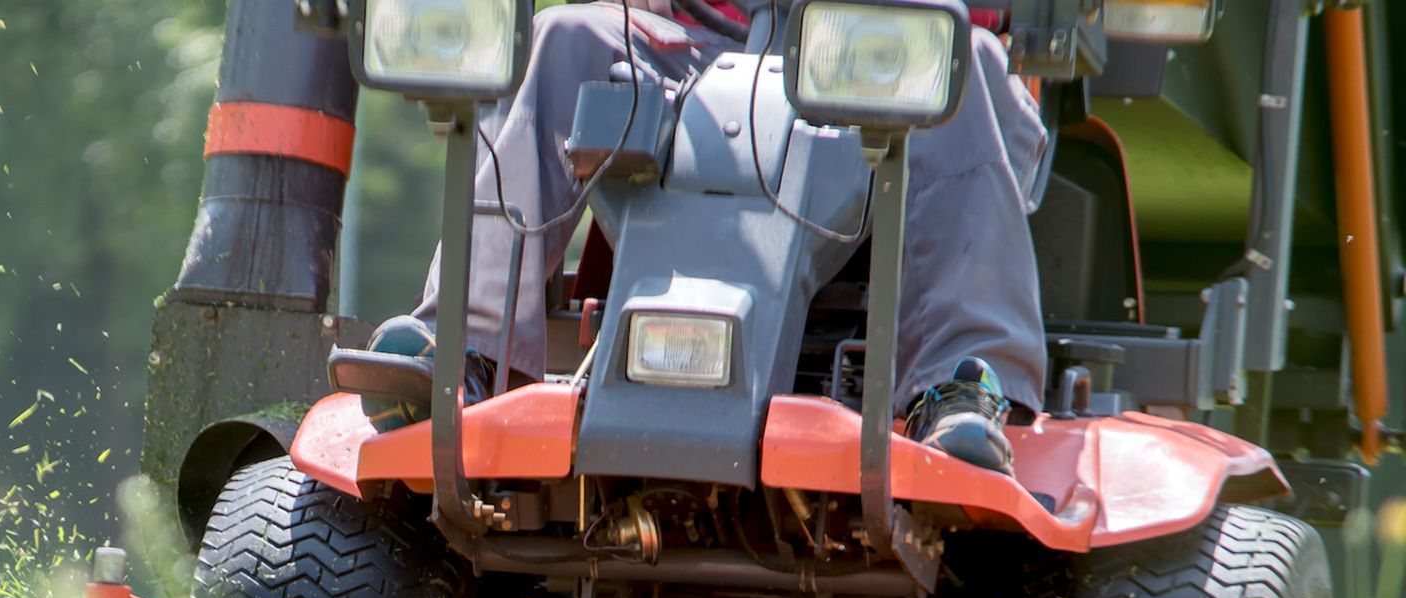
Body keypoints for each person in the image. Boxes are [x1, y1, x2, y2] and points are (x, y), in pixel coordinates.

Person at [371, 0, 1050, 476]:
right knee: (562, 37)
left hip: (887, 48)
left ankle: (961, 388)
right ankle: (466, 348)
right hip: (699, 44)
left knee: (971, 61)